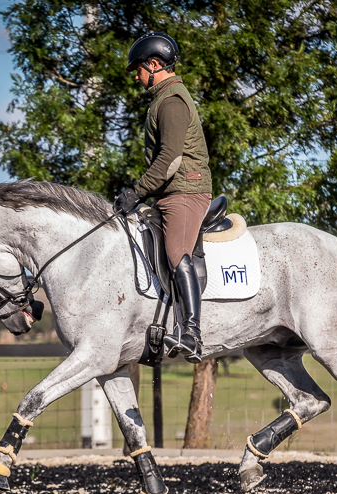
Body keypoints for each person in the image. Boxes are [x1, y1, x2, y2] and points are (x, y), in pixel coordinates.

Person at [115, 31, 212, 364]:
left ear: (154, 64)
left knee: (175, 253)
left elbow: (170, 159)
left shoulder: (171, 101)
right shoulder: (164, 97)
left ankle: (192, 333)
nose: (138, 76)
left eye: (139, 69)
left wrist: (137, 191)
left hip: (186, 190)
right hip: (171, 192)